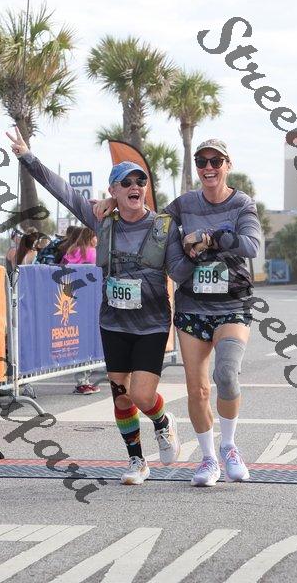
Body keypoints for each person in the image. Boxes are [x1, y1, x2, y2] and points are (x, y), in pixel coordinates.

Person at [6, 126, 195, 485]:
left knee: (141, 394)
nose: (135, 186)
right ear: (114, 192)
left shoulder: (163, 227)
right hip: (113, 322)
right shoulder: (102, 220)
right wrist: (28, 157)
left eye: (140, 181)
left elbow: (180, 271)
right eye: (127, 183)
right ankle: (137, 461)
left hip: (153, 322)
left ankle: (162, 421)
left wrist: (193, 254)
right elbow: (63, 192)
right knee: (121, 397)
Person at [93, 139, 261, 487]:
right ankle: (209, 459)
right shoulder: (183, 204)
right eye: (202, 161)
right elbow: (148, 216)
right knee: (197, 390)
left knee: (226, 375)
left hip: (232, 304)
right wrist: (112, 201)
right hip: (192, 307)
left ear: (227, 164)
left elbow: (251, 246)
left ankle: (229, 446)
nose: (208, 167)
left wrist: (212, 238)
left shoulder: (242, 203)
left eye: (215, 161)